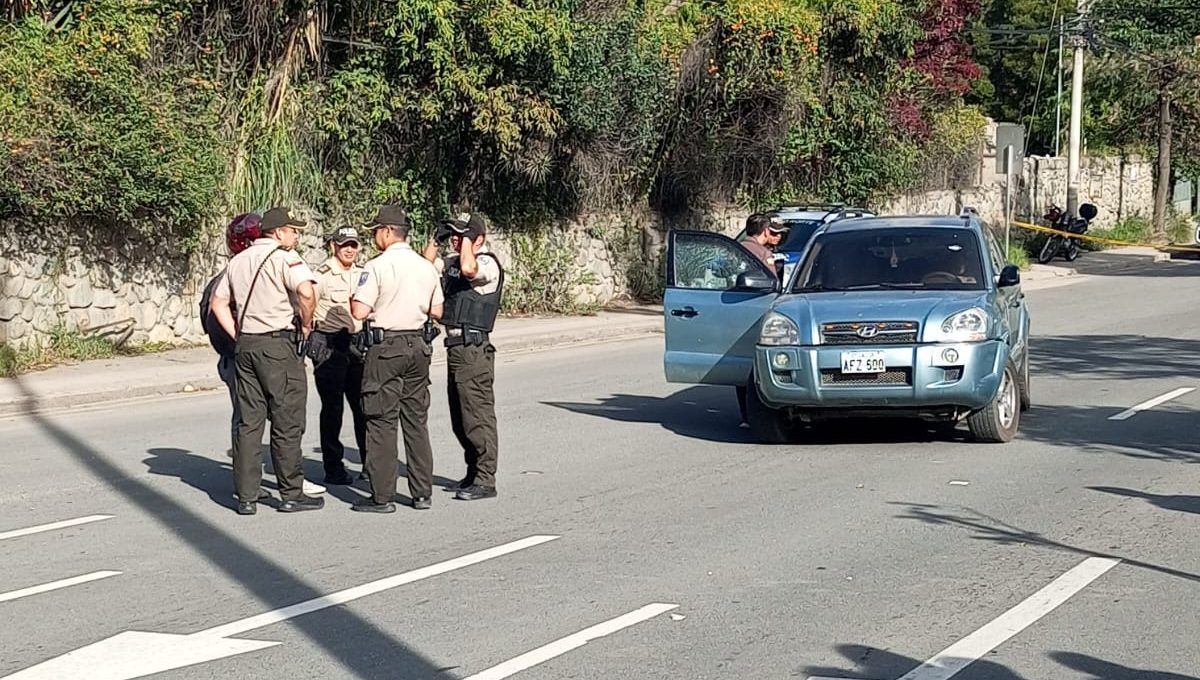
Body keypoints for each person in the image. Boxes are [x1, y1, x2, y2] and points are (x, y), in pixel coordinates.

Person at [200, 214, 325, 499]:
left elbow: (217, 303)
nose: (296, 237)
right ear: (278, 233)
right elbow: (306, 292)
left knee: (248, 422)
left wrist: (236, 333)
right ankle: (292, 493)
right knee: (287, 419)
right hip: (277, 345)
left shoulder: (237, 261)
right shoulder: (284, 258)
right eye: (293, 231)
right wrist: (306, 325)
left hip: (246, 346)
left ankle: (247, 496)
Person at [349, 205, 444, 513]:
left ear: (388, 232)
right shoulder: (426, 266)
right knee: (416, 420)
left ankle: (382, 496)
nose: (375, 236)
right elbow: (438, 311)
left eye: (376, 230)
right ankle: (422, 492)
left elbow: (360, 312)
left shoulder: (377, 266)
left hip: (385, 347)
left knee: (380, 421)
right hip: (418, 345)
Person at [422, 212, 505, 501]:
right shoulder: (452, 262)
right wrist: (437, 239)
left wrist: (467, 241)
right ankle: (473, 473)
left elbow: (470, 269)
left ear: (478, 239)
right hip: (456, 348)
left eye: (464, 236)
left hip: (474, 348)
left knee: (477, 415)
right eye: (455, 236)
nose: (457, 241)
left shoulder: (486, 263)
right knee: (460, 417)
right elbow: (424, 267)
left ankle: (485, 479)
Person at [310, 226, 368, 486]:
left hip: (356, 343)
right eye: (344, 244)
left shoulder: (363, 273)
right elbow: (307, 303)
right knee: (333, 409)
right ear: (333, 245)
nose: (349, 249)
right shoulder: (322, 274)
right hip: (329, 343)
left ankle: (370, 464)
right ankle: (333, 467)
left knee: (363, 407)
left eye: (354, 245)